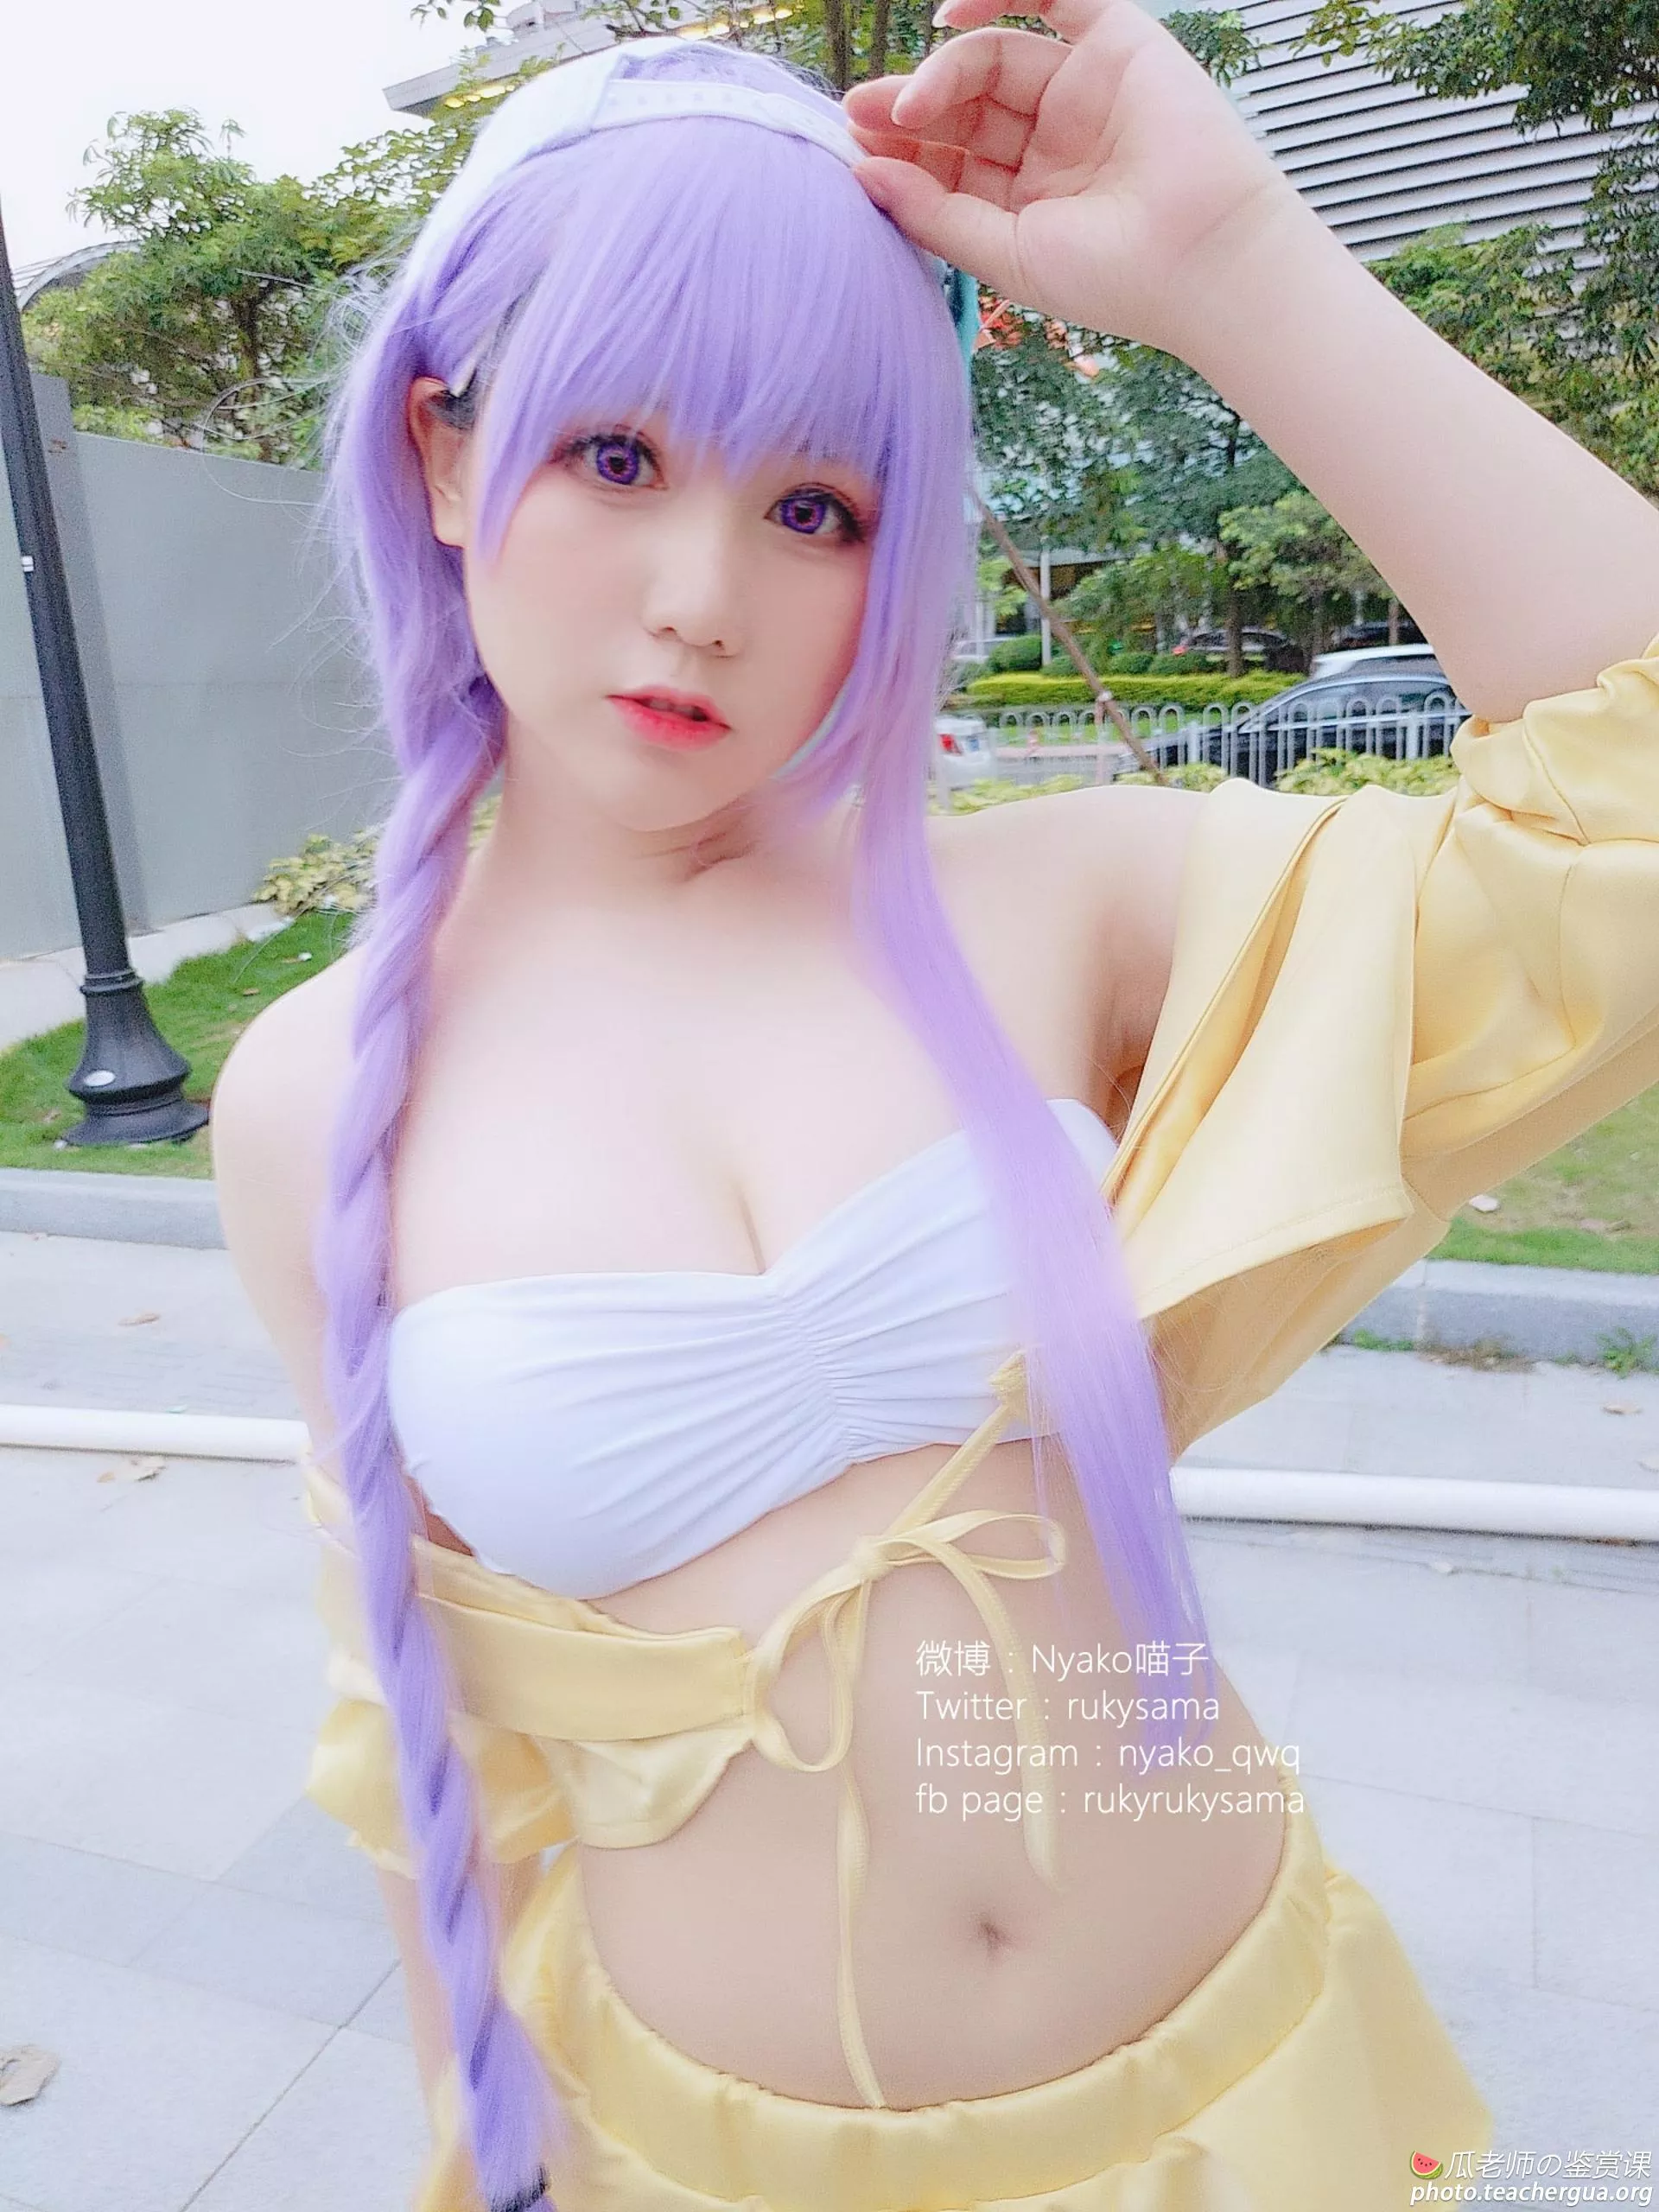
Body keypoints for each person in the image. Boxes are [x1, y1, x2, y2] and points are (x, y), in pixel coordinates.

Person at [212, 6, 1659, 2208]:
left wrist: (1231, 260)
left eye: (815, 504)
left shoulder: (1056, 904)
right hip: (695, 2156)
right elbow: (419, 1740)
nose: (703, 599)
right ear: (438, 447)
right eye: (614, 454)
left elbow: (1623, 816)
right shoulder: (316, 1090)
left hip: (1252, 2106)